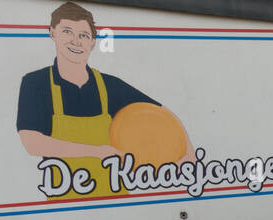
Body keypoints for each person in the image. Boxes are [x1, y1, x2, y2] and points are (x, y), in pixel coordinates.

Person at [16, 2, 194, 197]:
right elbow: (32, 142)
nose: (76, 41)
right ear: (52, 33)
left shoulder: (109, 86)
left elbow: (162, 114)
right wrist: (97, 152)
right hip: (63, 205)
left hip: (115, 202)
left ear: (92, 42)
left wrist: (187, 155)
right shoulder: (36, 83)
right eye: (67, 31)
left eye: (83, 35)